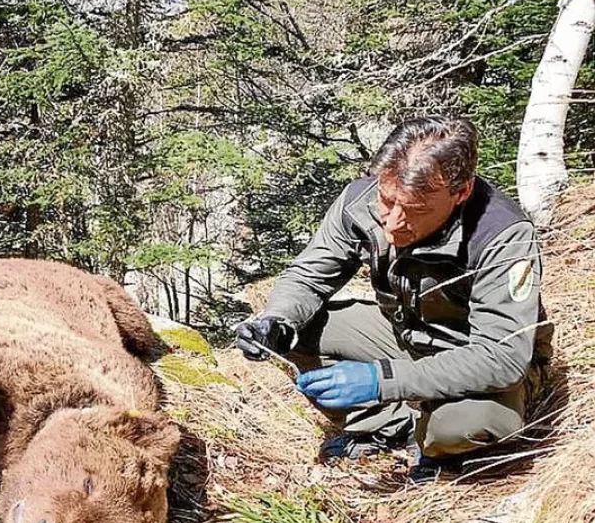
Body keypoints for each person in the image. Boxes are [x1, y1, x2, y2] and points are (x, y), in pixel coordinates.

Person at [235, 117, 552, 483]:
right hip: (408, 335)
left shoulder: (502, 235)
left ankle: (434, 445)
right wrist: (276, 321)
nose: (393, 223)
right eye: (387, 201)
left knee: (464, 426)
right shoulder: (359, 201)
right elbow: (308, 275)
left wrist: (381, 379)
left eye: (416, 210)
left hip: (475, 356)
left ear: (461, 192)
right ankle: (395, 429)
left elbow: (502, 357)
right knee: (298, 332)